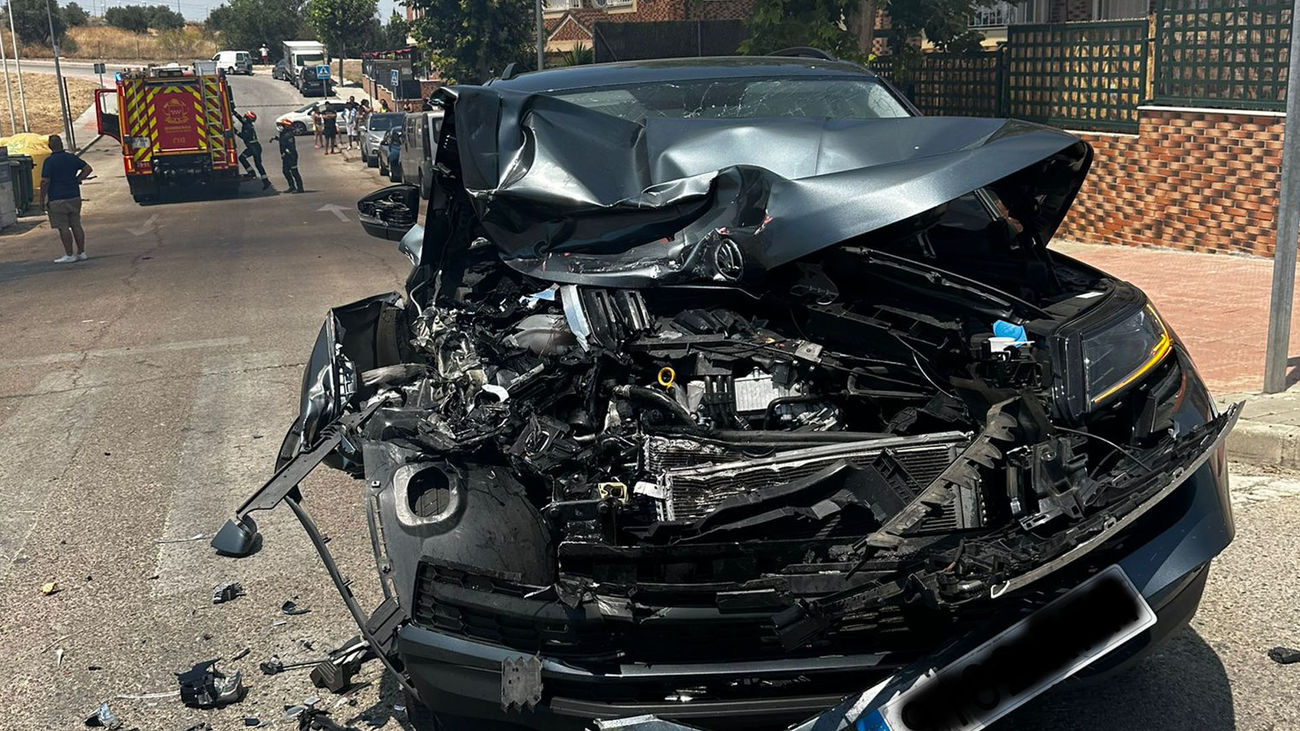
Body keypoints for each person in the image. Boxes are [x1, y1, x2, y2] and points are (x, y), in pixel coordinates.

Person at [39, 134, 92, 263]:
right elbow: (88, 169)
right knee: (76, 225)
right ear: (62, 144)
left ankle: (69, 254)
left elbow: (45, 182)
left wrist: (42, 199)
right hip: (74, 195)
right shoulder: (71, 158)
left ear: (50, 146)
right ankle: (81, 252)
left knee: (63, 227)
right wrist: (78, 180)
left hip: (57, 198)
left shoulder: (49, 161)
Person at [235, 110, 271, 189]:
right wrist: (235, 113)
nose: (244, 117)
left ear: (248, 118)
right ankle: (265, 181)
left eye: (245, 116)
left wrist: (235, 131)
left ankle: (252, 173)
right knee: (258, 164)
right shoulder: (247, 123)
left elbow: (244, 136)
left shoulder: (247, 126)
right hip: (255, 146)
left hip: (253, 147)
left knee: (242, 158)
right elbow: (241, 119)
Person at [272, 118, 303, 193]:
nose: (280, 127)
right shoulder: (283, 134)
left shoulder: (289, 135)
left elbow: (291, 147)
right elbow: (283, 141)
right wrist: (277, 139)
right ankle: (291, 186)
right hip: (285, 156)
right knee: (285, 171)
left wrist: (287, 153)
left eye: (282, 125)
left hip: (291, 156)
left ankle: (300, 188)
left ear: (286, 126)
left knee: (294, 172)